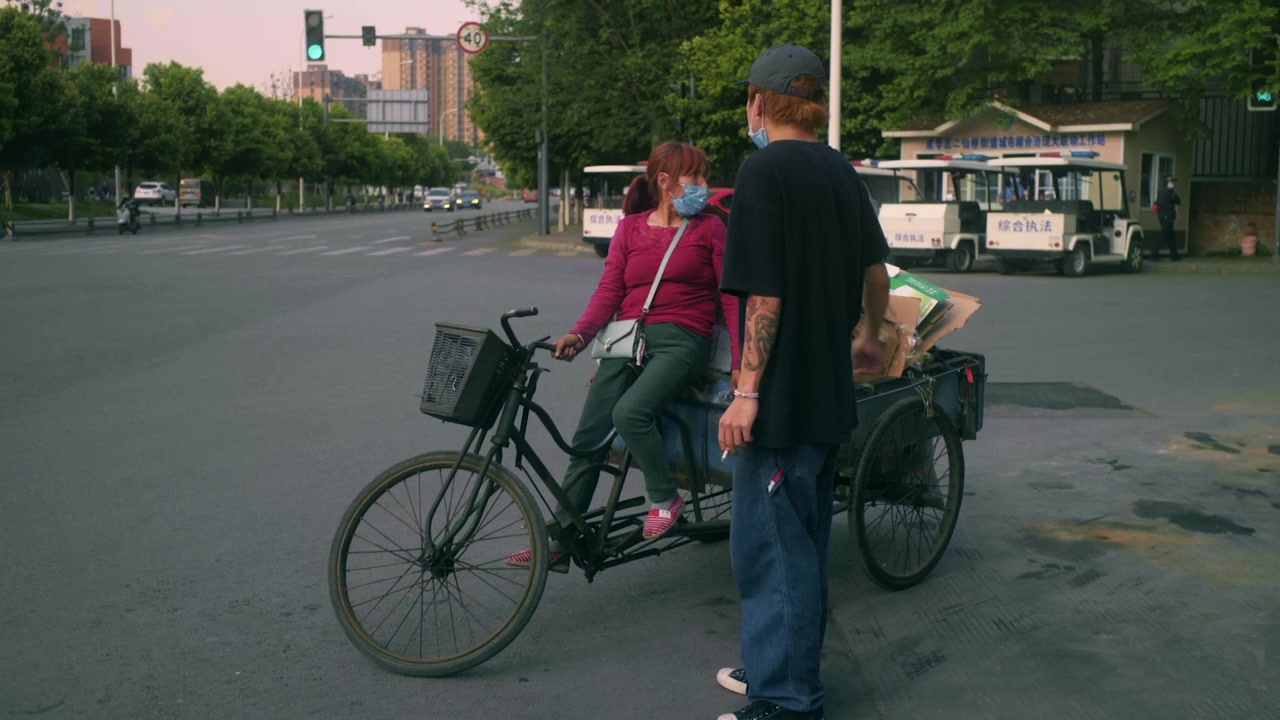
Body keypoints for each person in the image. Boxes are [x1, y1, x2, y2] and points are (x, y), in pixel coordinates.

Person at [714, 44, 891, 720]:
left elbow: (766, 294)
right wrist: (869, 337)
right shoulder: (841, 170)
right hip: (828, 394)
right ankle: (779, 668)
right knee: (805, 547)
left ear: (759, 102)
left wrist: (747, 392)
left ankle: (786, 700)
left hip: (782, 401)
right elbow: (876, 272)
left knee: (772, 552)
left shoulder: (764, 170)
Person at [504, 141, 741, 572]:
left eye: (704, 176)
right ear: (665, 182)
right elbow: (610, 290)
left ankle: (665, 497)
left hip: (683, 341)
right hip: (627, 341)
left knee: (630, 413)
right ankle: (561, 541)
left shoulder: (710, 228)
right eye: (695, 176)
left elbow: (730, 298)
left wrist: (742, 362)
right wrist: (580, 334)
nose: (704, 185)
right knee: (587, 439)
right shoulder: (630, 229)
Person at [1153, 175, 1182, 261]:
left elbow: (1156, 203)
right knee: (1164, 236)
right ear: (1166, 183)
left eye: (1173, 182)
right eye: (1171, 182)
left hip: (1162, 216)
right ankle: (1154, 254)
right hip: (1168, 217)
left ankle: (1174, 255)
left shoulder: (1161, 192)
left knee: (1171, 236)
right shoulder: (1169, 192)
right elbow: (1177, 200)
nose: (1172, 184)